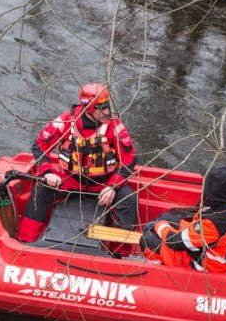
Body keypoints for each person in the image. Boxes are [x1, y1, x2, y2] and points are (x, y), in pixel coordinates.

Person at [15, 82, 138, 243]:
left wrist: (113, 186)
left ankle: (117, 254)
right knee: (41, 190)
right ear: (90, 108)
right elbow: (40, 145)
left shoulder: (115, 126)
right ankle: (25, 241)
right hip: (70, 179)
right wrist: (47, 172)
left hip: (103, 183)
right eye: (103, 108)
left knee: (127, 201)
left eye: (109, 107)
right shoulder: (66, 120)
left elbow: (129, 159)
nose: (108, 112)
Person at [139, 167, 226, 273]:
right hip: (212, 248)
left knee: (147, 240)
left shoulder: (215, 223)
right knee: (165, 217)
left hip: (205, 267)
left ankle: (159, 273)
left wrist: (159, 226)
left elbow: (174, 242)